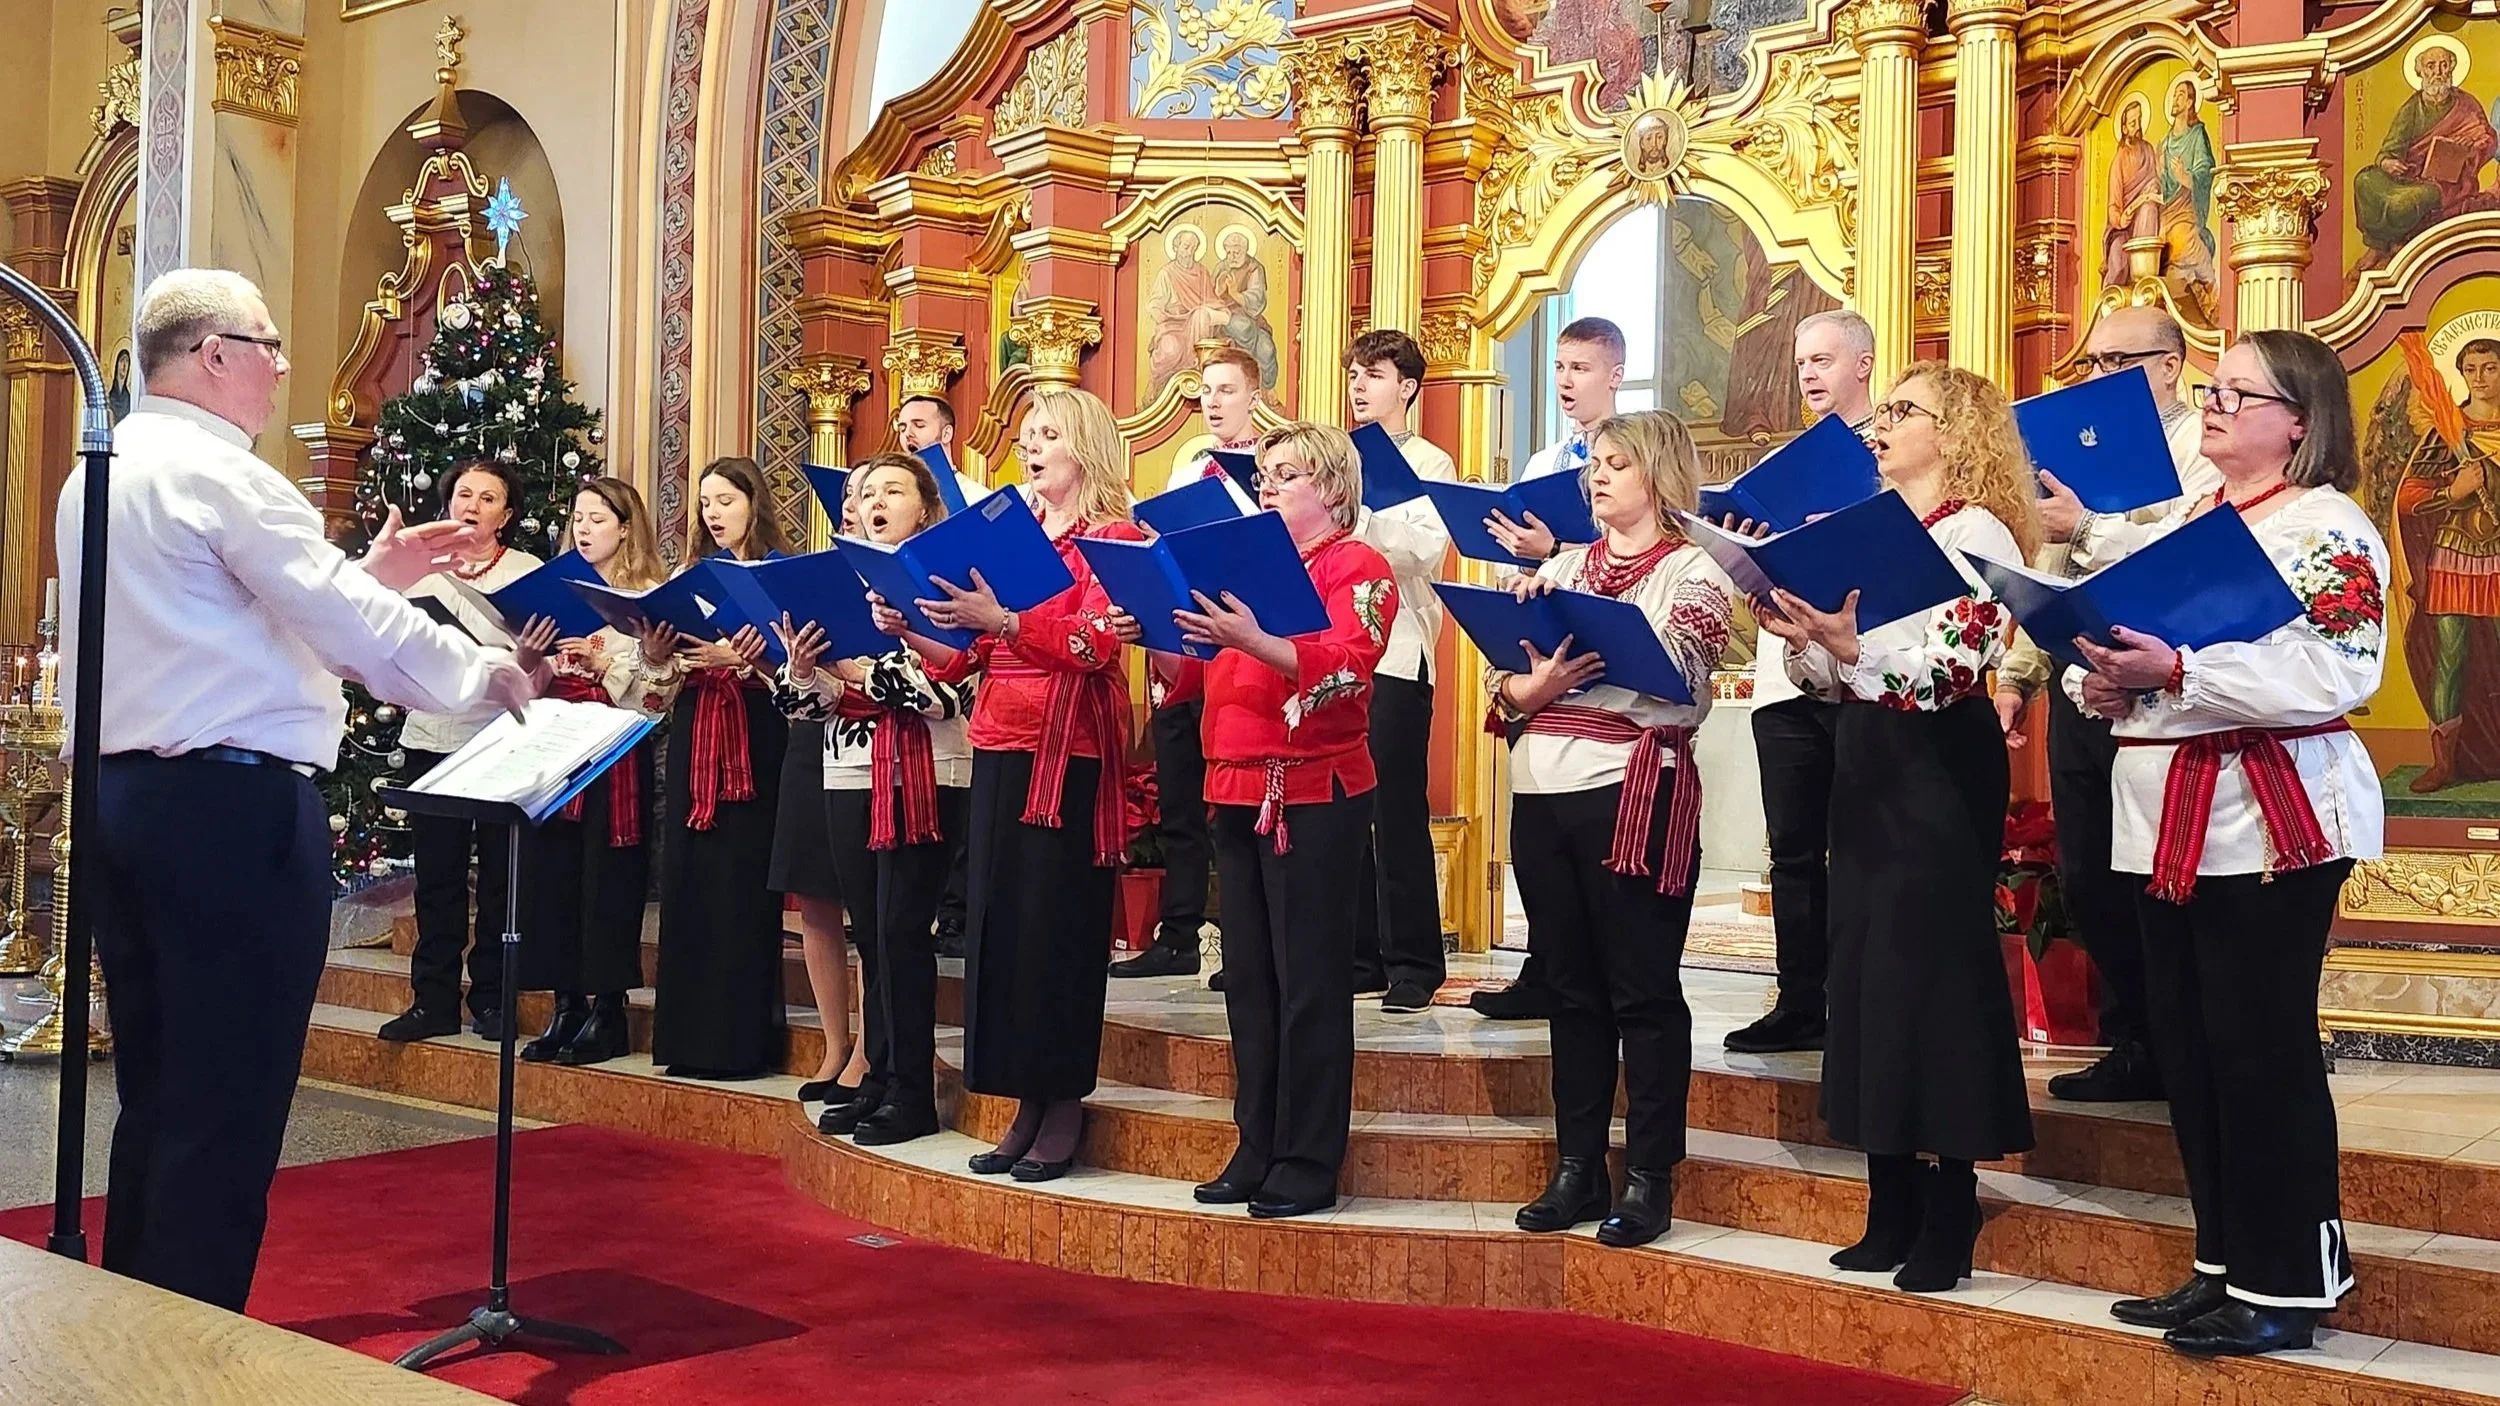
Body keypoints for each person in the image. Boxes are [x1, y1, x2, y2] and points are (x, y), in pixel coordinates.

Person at [67, 268, 539, 1309]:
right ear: (214, 355)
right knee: (227, 1096)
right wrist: (481, 673)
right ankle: (188, 1342)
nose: (283, 364)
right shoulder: (222, 473)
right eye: (266, 342)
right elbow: (334, 621)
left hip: (129, 800)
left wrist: (373, 577)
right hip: (226, 812)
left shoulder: (103, 465)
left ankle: (134, 1316)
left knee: (161, 1087)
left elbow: (240, 621)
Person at [2070, 331, 2385, 1358]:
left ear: (2296, 419)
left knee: (2260, 1051)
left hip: (2271, 816)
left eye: (2232, 392)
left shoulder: (2326, 526)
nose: (2208, 404)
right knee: (2194, 1052)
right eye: (2208, 388)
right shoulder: (2199, 514)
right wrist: (2106, 675)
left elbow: (2340, 668)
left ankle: (2286, 1281)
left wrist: (2179, 670)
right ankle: (2222, 1264)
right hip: (2168, 816)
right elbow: (2139, 651)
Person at [1755, 361, 2040, 1294]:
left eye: (1901, 413)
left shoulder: (1977, 529)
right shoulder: (1879, 528)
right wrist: (1811, 643)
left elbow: (1954, 668)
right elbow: (1848, 675)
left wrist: (1854, 648)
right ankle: (1888, 1200)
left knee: (1934, 976)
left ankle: (1948, 1209)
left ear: (1954, 432)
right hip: (1870, 753)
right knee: (1867, 967)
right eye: (1880, 415)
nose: (1878, 427)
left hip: (1939, 765)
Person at [1116, 421, 1396, 1219]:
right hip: (1234, 786)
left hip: (1314, 789)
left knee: (1309, 982)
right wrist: (1158, 638)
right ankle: (1256, 1140)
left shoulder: (1358, 563)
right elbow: (1199, 677)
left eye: (1286, 474)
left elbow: (1348, 665)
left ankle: (1308, 1156)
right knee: (1249, 980)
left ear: (1334, 490)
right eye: (1265, 474)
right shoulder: (1245, 569)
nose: (1267, 486)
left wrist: (1255, 637)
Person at [886, 386, 1140, 1181]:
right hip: (999, 738)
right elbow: (965, 656)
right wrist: (910, 625)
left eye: (1049, 434)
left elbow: (1098, 643)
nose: (1031, 447)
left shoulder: (1115, 536)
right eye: (1027, 435)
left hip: (1069, 752)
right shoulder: (1015, 534)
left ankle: (1061, 1102)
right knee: (1004, 929)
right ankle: (1025, 1101)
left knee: (1056, 928)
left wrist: (1002, 621)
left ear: (1085, 449)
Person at [1500, 411, 1733, 1249]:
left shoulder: (1694, 568)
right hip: (1542, 788)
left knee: (1641, 987)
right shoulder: (1558, 563)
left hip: (1633, 790)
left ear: (1660, 474)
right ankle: (1575, 1166)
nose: (1597, 476)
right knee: (1569, 986)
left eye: (1617, 463)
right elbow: (1506, 687)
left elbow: (1678, 674)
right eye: (1593, 463)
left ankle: (1649, 1175)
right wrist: (1531, 682)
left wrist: (1586, 632)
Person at [1993, 305, 2220, 1103]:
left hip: (2168, 691)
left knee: (2154, 879)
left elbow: (2186, 562)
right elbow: (2048, 568)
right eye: (2090, 364)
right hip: (2078, 682)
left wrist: (2089, 521)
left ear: (2171, 364)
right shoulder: (2078, 450)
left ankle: (2182, 1045)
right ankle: (2134, 1043)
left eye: (2118, 361)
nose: (2097, 378)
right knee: (2090, 873)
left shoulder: (2203, 449)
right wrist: (2017, 678)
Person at [777, 452, 973, 1146]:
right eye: (863, 491)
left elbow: (947, 693)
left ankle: (913, 1092)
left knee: (900, 934)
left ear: (924, 505)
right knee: (871, 933)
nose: (873, 499)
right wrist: (807, 669)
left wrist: (866, 666)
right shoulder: (844, 582)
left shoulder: (940, 581)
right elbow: (811, 704)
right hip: (848, 769)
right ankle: (880, 1078)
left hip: (925, 770)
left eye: (892, 488)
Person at [1723, 307, 1880, 1056]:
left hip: (1863, 675)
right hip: (1783, 679)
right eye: (1801, 363)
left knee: (1857, 846)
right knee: (1791, 849)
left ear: (1863, 364)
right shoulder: (1782, 469)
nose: (1809, 375)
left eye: (1822, 360)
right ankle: (1798, 998)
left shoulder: (1890, 457)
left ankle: (1857, 999)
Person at [1477, 315, 1629, 1020]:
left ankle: (1591, 969)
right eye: (1559, 367)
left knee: (1590, 842)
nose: (1566, 380)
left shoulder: (1637, 454)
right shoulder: (1544, 461)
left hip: (1606, 656)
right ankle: (1544, 964)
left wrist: (1552, 545)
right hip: (1542, 644)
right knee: (1535, 823)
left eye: (1581, 368)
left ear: (1615, 375)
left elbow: (1639, 538)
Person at [1111, 346, 1266, 981]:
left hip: (1240, 649)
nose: (1213, 400)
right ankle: (1177, 933)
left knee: (1238, 807)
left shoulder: (1270, 469)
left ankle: (1239, 940)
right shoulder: (1187, 465)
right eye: (1206, 389)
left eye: (1226, 389)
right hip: (1181, 648)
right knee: (1178, 797)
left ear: (1254, 396)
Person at [379, 462, 544, 1042]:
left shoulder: (528, 574)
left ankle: (495, 999)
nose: (472, 504)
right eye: (464, 494)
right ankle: (433, 1001)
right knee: (438, 877)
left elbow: (543, 674)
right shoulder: (420, 569)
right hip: (433, 738)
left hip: (501, 739)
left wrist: (525, 655)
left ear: (507, 514)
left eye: (488, 497)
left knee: (500, 876)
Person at [518, 477, 673, 1067]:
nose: (583, 528)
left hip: (613, 755)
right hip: (557, 747)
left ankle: (606, 1007)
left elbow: (658, 697)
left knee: (607, 878)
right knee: (553, 875)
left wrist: (604, 663)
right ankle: (566, 1003)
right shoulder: (556, 592)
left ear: (626, 527)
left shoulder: (648, 599)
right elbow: (528, 687)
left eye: (597, 518)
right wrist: (531, 657)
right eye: (577, 518)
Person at [646, 456, 789, 1080]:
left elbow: (801, 660)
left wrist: (745, 657)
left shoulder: (780, 571)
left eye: (725, 500)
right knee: (689, 878)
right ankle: (686, 1040)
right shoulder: (690, 575)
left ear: (753, 503)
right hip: (697, 729)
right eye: (705, 503)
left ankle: (740, 1043)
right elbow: (665, 677)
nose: (713, 512)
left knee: (741, 883)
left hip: (756, 735)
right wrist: (658, 654)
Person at [1344, 329, 1454, 1013]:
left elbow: (1419, 551)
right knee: (1345, 803)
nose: (1359, 385)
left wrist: (1360, 514)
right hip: (1336, 649)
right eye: (1354, 373)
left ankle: (1414, 959)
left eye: (1375, 374)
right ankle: (1358, 954)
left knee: (1396, 808)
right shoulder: (1335, 457)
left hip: (1398, 649)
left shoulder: (1431, 463)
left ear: (1407, 387)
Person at [770, 468, 871, 1105]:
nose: (859, 506)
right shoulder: (818, 572)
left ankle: (867, 1048)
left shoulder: (897, 576)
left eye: (874, 494)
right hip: (814, 741)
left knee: (867, 906)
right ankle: (835, 1043)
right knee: (814, 898)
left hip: (874, 744)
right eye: (852, 497)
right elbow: (789, 688)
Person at [894, 393, 983, 959]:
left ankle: (955, 912)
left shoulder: (970, 499)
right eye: (901, 426)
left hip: (962, 681)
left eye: (919, 426)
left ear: (947, 434)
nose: (908, 434)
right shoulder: (883, 495)